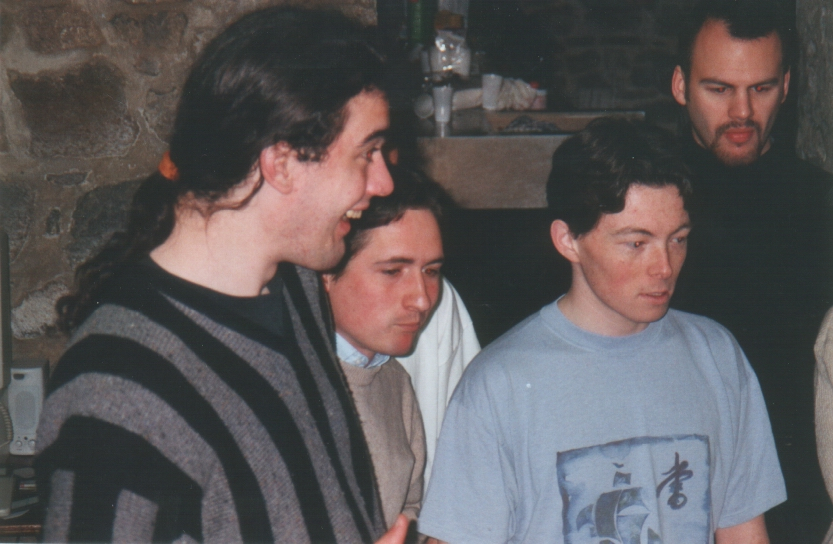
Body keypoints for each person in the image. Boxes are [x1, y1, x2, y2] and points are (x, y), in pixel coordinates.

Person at [34, 7, 412, 543]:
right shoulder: (117, 389)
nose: (384, 182)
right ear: (281, 163)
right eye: (367, 153)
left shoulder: (297, 291)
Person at [418, 117, 785, 543]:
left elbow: (743, 532)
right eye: (636, 243)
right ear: (567, 240)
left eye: (678, 239)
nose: (664, 267)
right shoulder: (499, 384)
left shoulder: (717, 355)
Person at [669, 0, 833, 539]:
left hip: (797, 496)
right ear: (680, 86)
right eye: (719, 89)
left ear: (785, 86)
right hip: (673, 485)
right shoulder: (643, 207)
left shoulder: (820, 204)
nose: (742, 112)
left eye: (760, 88)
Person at [322, 168, 448, 529]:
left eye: (431, 271)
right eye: (393, 271)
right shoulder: (287, 381)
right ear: (326, 272)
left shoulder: (392, 380)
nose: (422, 299)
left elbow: (409, 509)